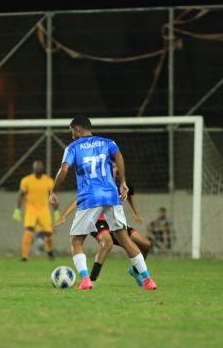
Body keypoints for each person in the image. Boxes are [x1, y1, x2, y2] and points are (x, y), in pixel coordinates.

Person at [49, 115, 157, 291]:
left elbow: (64, 169)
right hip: (111, 196)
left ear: (77, 129)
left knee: (76, 240)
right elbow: (119, 156)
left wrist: (53, 190)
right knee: (125, 239)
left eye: (71, 131)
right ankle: (148, 280)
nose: (71, 135)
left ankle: (86, 280)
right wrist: (123, 182)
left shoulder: (73, 147)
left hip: (89, 197)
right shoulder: (108, 142)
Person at [55, 162, 151, 286]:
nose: (111, 168)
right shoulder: (96, 182)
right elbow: (79, 199)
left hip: (115, 221)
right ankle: (90, 280)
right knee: (107, 243)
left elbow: (130, 195)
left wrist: (135, 212)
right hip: (98, 220)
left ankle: (136, 271)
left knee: (146, 244)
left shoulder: (121, 183)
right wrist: (64, 215)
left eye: (114, 166)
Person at [13, 160, 60, 261]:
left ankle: (50, 252)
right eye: (37, 166)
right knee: (29, 230)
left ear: (43, 168)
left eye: (40, 166)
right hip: (31, 210)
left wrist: (56, 211)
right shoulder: (26, 180)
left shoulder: (49, 181)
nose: (38, 167)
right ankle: (24, 256)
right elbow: (21, 195)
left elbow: (53, 196)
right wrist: (17, 209)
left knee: (49, 233)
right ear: (33, 168)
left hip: (44, 211)